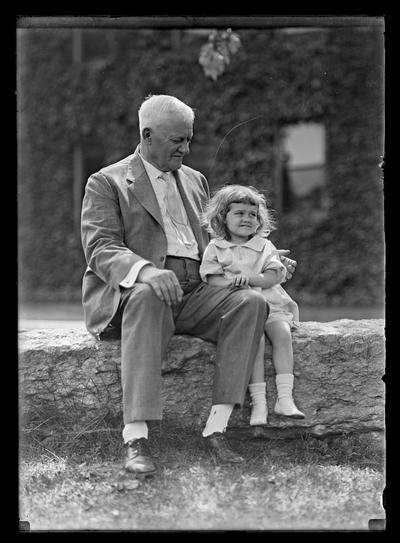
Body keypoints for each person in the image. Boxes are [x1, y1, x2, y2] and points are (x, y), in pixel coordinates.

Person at [81, 94, 297, 474]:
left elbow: (221, 240)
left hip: (198, 290)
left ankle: (216, 429)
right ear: (147, 135)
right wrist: (147, 271)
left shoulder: (196, 180)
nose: (186, 147)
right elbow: (100, 247)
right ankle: (136, 437)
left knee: (251, 302)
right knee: (149, 294)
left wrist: (268, 258)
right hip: (142, 292)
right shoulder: (107, 181)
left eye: (188, 139)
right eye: (177, 140)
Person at [200, 184, 304, 428]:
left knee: (282, 334)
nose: (247, 218)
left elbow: (272, 276)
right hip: (241, 308)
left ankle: (285, 398)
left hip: (271, 303)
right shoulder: (216, 248)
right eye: (239, 213)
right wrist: (231, 284)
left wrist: (250, 279)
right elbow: (212, 278)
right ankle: (259, 403)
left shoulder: (265, 246)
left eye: (253, 215)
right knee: (253, 341)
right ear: (222, 218)